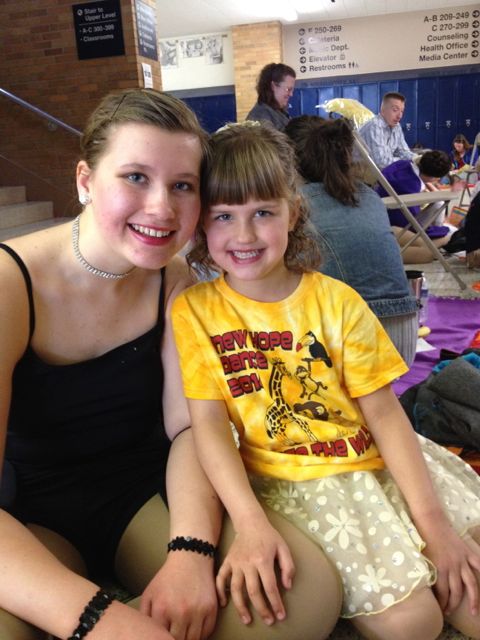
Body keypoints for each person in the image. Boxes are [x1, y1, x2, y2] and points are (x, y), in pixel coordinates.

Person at [0, 89, 342, 640]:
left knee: (301, 593)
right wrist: (99, 620)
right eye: (135, 177)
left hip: (143, 493)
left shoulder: (173, 278)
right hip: (26, 518)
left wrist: (190, 550)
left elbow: (188, 427)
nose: (162, 208)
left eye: (182, 186)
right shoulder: (10, 283)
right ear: (86, 180)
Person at [172, 121, 480, 640]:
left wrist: (436, 529)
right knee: (416, 623)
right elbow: (208, 427)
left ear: (293, 212)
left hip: (377, 467)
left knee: (467, 581)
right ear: (202, 224)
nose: (244, 235)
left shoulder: (337, 301)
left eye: (263, 213)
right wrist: (248, 522)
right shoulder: (195, 312)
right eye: (224, 216)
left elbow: (385, 416)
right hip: (295, 487)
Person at [284, 115, 418, 367]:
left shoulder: (295, 205)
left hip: (355, 333)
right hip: (405, 332)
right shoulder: (368, 196)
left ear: (287, 161)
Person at [375, 150, 452, 263]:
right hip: (396, 225)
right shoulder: (412, 186)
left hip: (381, 213)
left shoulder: (402, 164)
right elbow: (411, 222)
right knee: (446, 231)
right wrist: (439, 231)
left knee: (438, 203)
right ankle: (444, 240)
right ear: (434, 178)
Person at [358, 92, 414, 169]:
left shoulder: (396, 126)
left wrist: (417, 159)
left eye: (402, 111)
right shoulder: (375, 125)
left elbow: (403, 151)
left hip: (379, 171)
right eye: (395, 110)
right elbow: (381, 162)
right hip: (361, 172)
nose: (400, 116)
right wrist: (407, 161)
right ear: (383, 110)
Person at [245, 63, 296, 131]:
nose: (291, 94)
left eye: (292, 90)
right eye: (288, 89)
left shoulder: (279, 111)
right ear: (273, 86)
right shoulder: (260, 117)